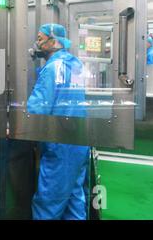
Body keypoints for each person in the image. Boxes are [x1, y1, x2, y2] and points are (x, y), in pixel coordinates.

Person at [27, 23, 90, 220]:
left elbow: (38, 108)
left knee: (49, 203)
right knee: (73, 199)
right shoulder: (76, 64)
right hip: (79, 143)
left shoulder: (52, 68)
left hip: (59, 146)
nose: (37, 43)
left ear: (53, 42)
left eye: (40, 38)